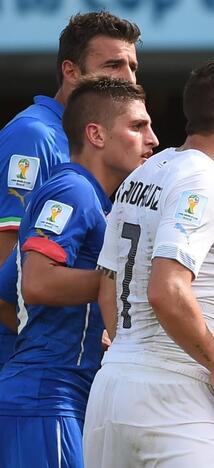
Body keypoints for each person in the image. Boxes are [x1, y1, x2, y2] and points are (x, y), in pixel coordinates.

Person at [83, 56, 214, 467]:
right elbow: (166, 289)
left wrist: (134, 360)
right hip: (175, 396)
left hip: (113, 389)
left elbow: (108, 285)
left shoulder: (143, 174)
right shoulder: (203, 182)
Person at [0, 77, 156, 467]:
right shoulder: (71, 190)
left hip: (57, 397)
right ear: (96, 135)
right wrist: (123, 281)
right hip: (47, 398)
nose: (152, 139)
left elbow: (11, 286)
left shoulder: (92, 198)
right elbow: (37, 282)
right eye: (138, 126)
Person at [0, 10, 141, 365]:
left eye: (133, 67)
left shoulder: (92, 139)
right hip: (28, 362)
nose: (127, 77)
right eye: (113, 65)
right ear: (70, 70)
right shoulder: (34, 136)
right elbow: (7, 256)